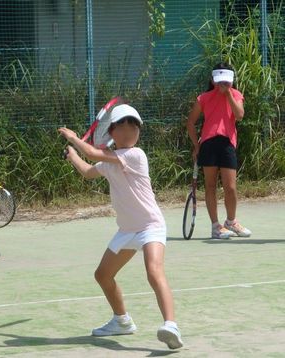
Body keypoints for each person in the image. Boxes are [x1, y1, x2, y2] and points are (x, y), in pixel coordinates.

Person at [58, 104, 183, 350]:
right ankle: (122, 321)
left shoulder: (136, 155)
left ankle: (171, 326)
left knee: (154, 271)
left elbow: (93, 155)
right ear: (111, 132)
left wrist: (74, 138)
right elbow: (88, 170)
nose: (129, 132)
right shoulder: (109, 161)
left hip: (150, 226)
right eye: (123, 126)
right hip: (127, 230)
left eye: (133, 127)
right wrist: (73, 155)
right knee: (102, 275)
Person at [187, 62, 252, 239]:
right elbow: (190, 123)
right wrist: (196, 145)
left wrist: (229, 94)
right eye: (220, 80)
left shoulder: (236, 94)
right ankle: (216, 227)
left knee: (230, 187)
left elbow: (239, 115)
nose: (223, 84)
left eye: (227, 81)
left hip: (227, 144)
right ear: (213, 80)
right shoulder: (204, 98)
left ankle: (231, 222)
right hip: (208, 144)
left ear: (231, 80)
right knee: (210, 186)